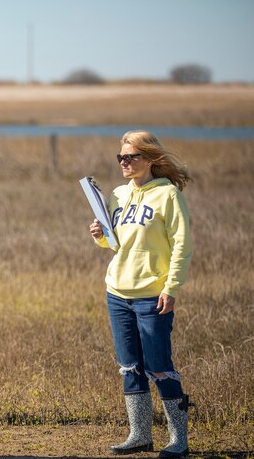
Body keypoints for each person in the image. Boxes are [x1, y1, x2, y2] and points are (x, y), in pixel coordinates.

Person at [89, 131, 193, 459]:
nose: (124, 162)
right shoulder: (117, 195)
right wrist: (99, 235)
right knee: (129, 366)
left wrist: (171, 287)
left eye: (131, 157)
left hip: (152, 295)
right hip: (117, 292)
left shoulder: (168, 195)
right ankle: (140, 435)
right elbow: (114, 244)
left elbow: (182, 245)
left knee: (159, 365)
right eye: (121, 157)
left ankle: (179, 439)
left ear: (149, 159)